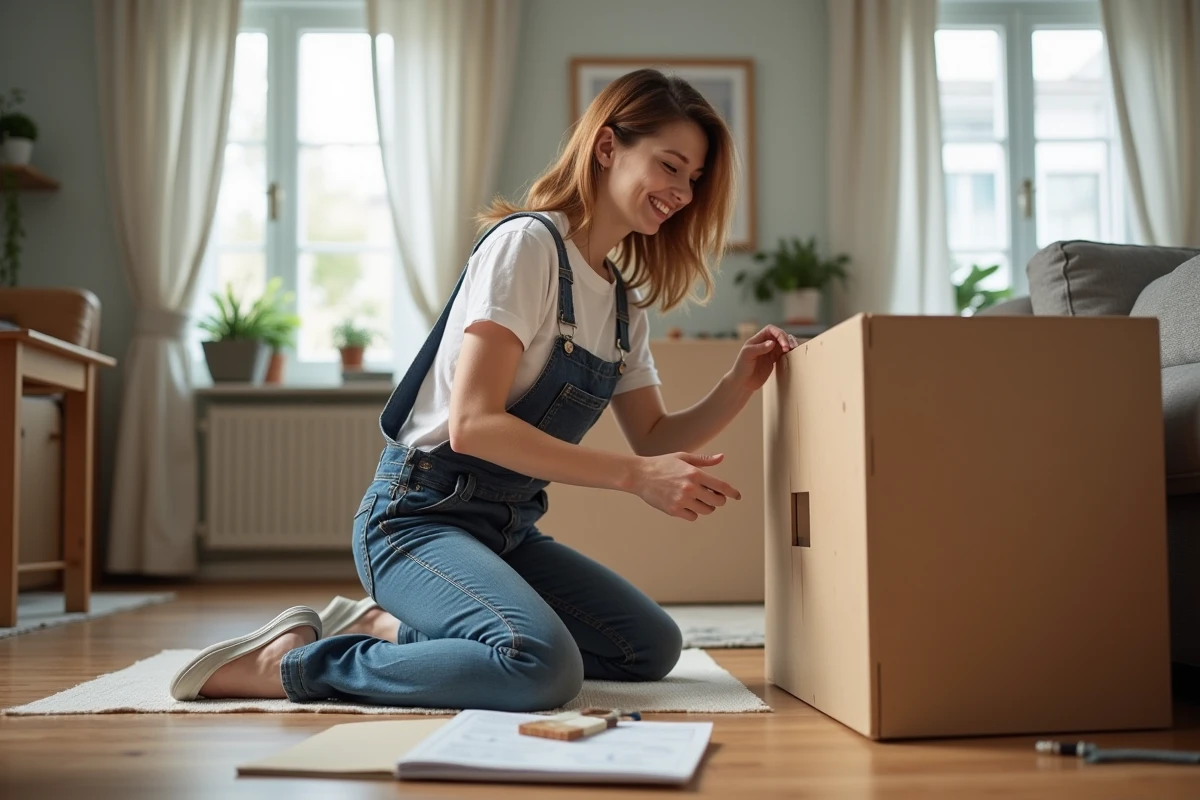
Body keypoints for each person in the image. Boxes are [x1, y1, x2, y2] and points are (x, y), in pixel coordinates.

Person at [170, 68, 799, 709]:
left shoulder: (620, 304)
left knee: (648, 648)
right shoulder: (527, 246)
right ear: (607, 147)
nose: (682, 192)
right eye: (670, 166)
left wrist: (740, 381)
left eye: (693, 179)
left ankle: (394, 627)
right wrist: (635, 477)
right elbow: (473, 424)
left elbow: (658, 435)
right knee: (538, 667)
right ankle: (292, 664)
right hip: (415, 521)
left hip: (508, 532)